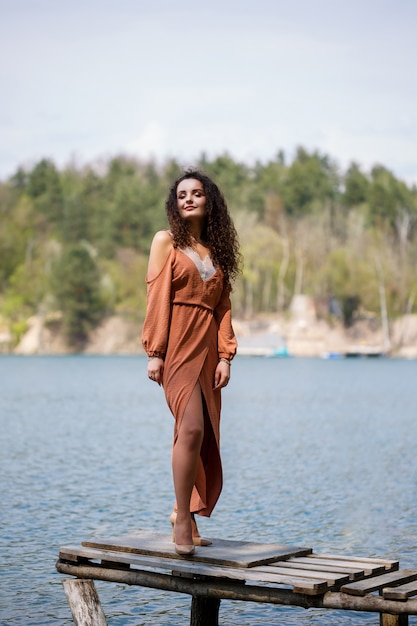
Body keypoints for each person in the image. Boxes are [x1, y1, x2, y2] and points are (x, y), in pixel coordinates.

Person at [142, 169, 240, 556]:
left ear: (208, 200)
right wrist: (155, 351)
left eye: (196, 193)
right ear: (174, 202)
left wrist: (226, 356)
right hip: (178, 344)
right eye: (182, 194)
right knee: (192, 429)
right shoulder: (165, 241)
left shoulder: (218, 253)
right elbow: (156, 295)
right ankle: (182, 517)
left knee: (204, 436)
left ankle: (188, 514)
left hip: (209, 352)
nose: (188, 199)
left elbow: (223, 308)